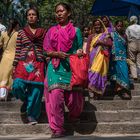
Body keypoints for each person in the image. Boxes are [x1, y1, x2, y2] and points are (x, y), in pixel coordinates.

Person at [43, 2, 84, 138]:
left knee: (74, 99)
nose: (59, 13)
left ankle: (74, 116)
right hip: (55, 67)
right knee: (55, 97)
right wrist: (56, 54)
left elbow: (79, 48)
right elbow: (45, 51)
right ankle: (57, 128)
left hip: (71, 67)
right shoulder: (51, 31)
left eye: (61, 11)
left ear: (69, 13)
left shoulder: (76, 31)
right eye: (57, 12)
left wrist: (79, 51)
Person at [12, 7, 46, 125]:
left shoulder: (43, 32)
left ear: (37, 17)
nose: (31, 16)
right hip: (23, 63)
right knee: (17, 86)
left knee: (36, 90)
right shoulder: (21, 32)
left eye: (33, 14)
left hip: (38, 63)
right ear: (26, 17)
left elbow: (45, 48)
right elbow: (18, 49)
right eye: (29, 15)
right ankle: (27, 101)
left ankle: (32, 115)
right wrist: (14, 64)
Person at [86, 19, 112, 99]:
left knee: (99, 75)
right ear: (93, 26)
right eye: (95, 25)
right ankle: (93, 92)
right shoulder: (91, 36)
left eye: (99, 24)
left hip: (102, 58)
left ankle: (98, 93)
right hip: (92, 58)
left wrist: (101, 42)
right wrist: (87, 59)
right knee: (92, 74)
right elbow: (87, 49)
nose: (97, 26)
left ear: (101, 25)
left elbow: (110, 43)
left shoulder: (106, 35)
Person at [110, 20, 130, 99]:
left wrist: (128, 57)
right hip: (115, 58)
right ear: (115, 26)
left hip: (123, 58)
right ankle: (120, 91)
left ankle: (123, 90)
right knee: (117, 74)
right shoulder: (112, 34)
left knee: (124, 73)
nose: (120, 27)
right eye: (118, 26)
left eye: (121, 26)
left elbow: (126, 47)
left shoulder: (125, 36)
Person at [0, 19, 19, 101]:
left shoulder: (4, 34)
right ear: (16, 25)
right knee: (10, 76)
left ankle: (3, 95)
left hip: (4, 58)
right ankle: (7, 95)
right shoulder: (18, 34)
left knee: (3, 76)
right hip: (14, 58)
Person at [125, 16, 140, 81]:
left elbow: (127, 36)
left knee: (132, 60)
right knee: (139, 60)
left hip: (132, 43)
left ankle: (135, 76)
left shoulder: (129, 28)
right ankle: (139, 74)